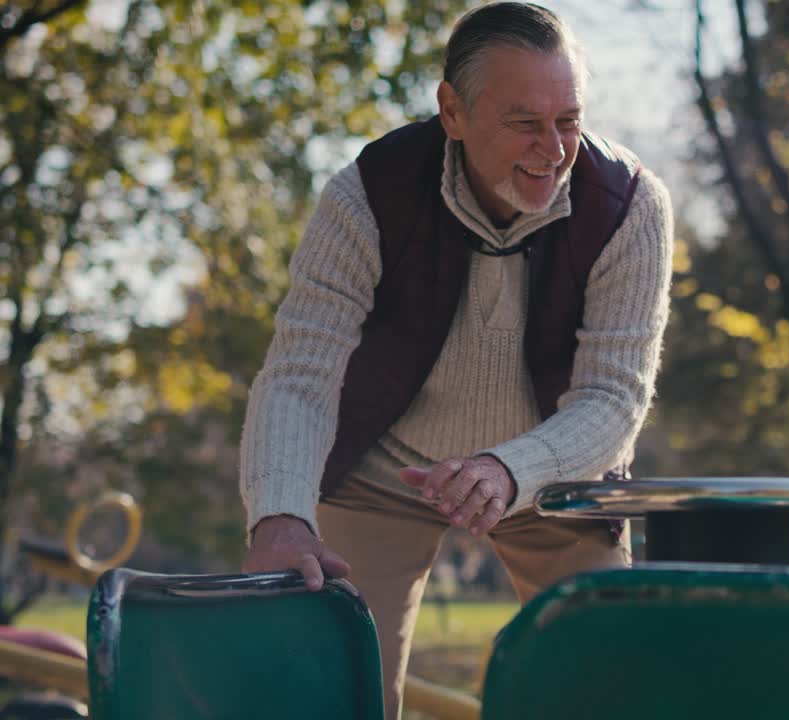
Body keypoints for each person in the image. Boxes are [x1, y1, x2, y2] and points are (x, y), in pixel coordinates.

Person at [237, 3, 673, 716]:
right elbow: (299, 375)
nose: (554, 149)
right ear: (453, 111)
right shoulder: (365, 196)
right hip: (381, 471)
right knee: (333, 693)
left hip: (551, 474)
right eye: (524, 123)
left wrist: (509, 470)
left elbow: (613, 400)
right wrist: (279, 515)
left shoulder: (629, 207)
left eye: (568, 120)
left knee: (606, 686)